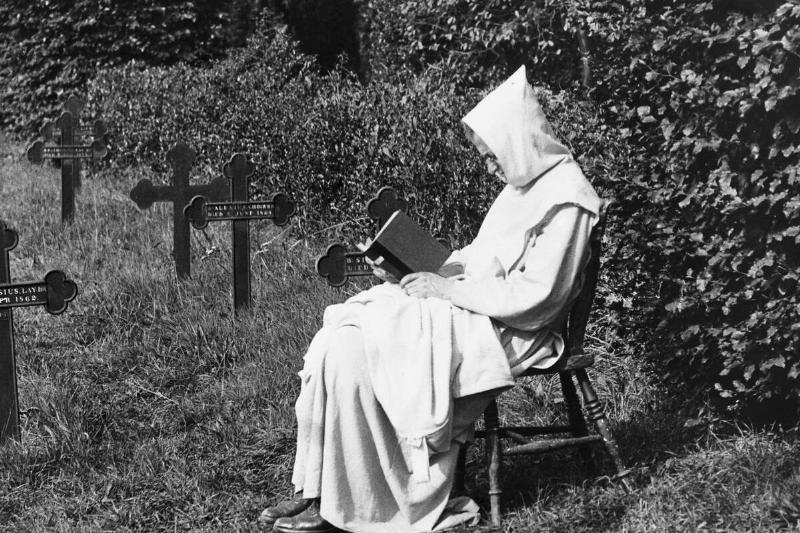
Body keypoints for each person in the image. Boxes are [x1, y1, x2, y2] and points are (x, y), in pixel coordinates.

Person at [260, 65, 604, 533]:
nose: (489, 167)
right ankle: (327, 490)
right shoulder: (521, 187)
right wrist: (412, 268)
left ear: (518, 143)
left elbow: (540, 298)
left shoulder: (568, 200)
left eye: (492, 156)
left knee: (376, 347)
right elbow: (479, 258)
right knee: (344, 334)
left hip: (513, 327)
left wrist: (446, 289)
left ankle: (368, 501)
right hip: (471, 305)